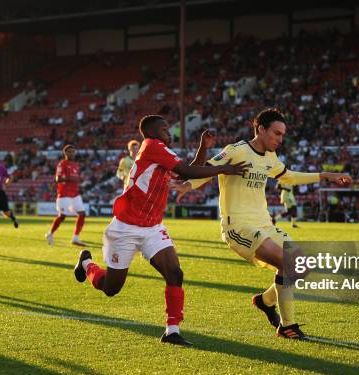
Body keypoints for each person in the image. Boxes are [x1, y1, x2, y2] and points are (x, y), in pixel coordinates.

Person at [175, 108, 351, 340]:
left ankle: (265, 301)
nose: (280, 139)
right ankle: (288, 326)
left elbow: (289, 176)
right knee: (287, 263)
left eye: (282, 135)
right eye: (276, 133)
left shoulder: (270, 158)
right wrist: (187, 186)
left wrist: (324, 175)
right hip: (238, 227)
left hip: (264, 225)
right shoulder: (236, 150)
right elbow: (206, 171)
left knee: (302, 266)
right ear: (260, 129)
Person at [72, 115, 247, 346]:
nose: (169, 131)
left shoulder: (161, 152)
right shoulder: (153, 146)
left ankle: (172, 331)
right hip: (125, 227)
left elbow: (190, 170)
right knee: (111, 288)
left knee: (175, 273)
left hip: (152, 227)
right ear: (153, 132)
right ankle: (87, 264)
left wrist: (203, 148)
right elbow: (187, 172)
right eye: (165, 128)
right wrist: (225, 169)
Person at [45, 145, 87, 246]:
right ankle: (50, 234)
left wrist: (78, 181)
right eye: (69, 152)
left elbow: (75, 178)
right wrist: (70, 180)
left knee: (82, 214)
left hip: (75, 194)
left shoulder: (76, 165)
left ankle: (75, 238)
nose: (71, 153)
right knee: (62, 216)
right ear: (65, 153)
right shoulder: (62, 164)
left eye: (73, 151)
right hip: (64, 194)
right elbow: (58, 179)